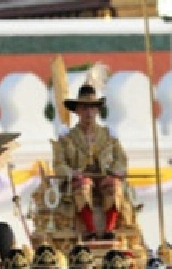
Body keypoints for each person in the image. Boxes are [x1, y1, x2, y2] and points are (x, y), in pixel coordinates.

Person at [53, 83, 128, 240]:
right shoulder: (67, 138)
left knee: (113, 186)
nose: (89, 112)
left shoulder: (108, 135)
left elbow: (121, 159)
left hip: (104, 178)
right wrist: (72, 173)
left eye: (92, 108)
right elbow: (58, 164)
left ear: (97, 110)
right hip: (79, 180)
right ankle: (90, 230)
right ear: (77, 111)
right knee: (84, 185)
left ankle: (109, 229)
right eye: (84, 108)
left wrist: (114, 172)